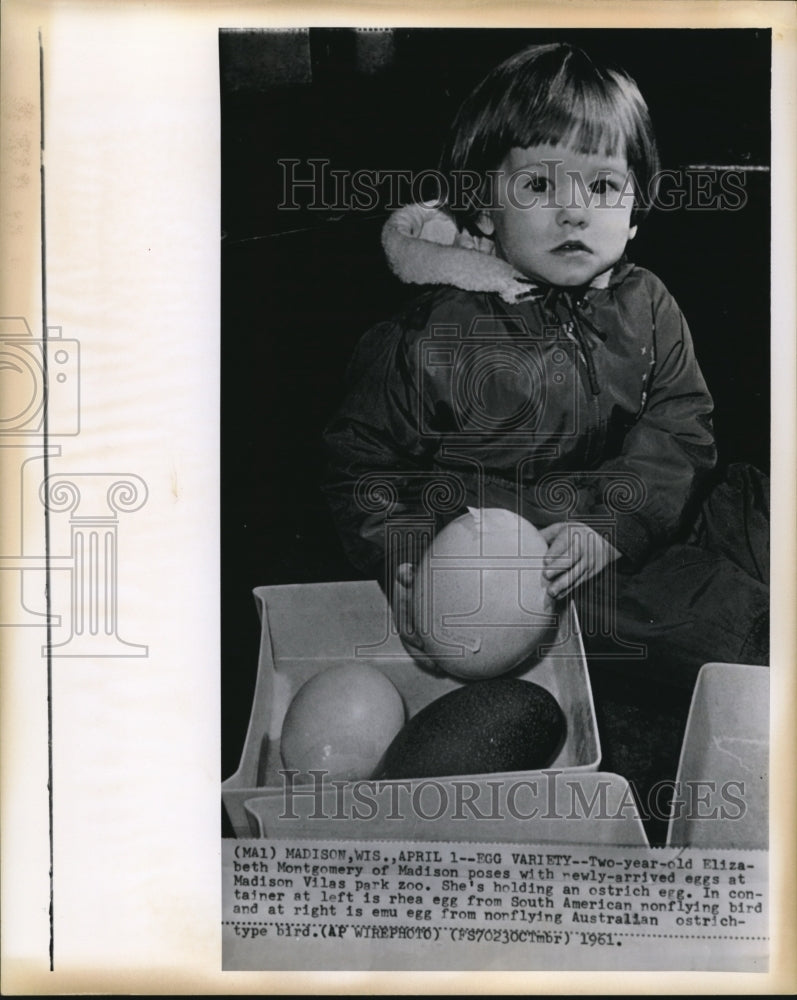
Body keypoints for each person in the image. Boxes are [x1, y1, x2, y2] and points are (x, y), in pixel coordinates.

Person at [322, 42, 768, 685]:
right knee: (710, 621)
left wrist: (620, 516)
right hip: (546, 550)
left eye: (604, 185)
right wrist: (408, 553)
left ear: (636, 209)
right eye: (537, 184)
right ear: (483, 208)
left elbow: (681, 424)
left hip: (657, 499)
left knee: (760, 509)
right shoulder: (435, 329)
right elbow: (360, 460)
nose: (574, 210)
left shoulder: (647, 301)